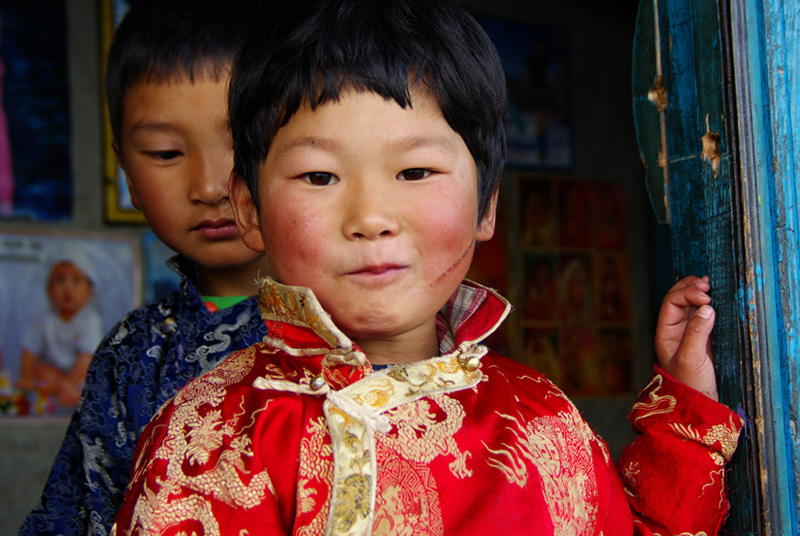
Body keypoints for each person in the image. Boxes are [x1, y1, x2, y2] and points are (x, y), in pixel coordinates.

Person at [111, 1, 742, 534]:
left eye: (415, 171)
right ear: (249, 208)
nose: (371, 216)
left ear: (484, 205)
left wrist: (685, 412)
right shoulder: (209, 438)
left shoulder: (542, 417)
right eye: (318, 176)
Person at [19, 1, 271, 534]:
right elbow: (76, 514)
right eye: (164, 153)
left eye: (243, 144)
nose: (209, 187)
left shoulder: (365, 326)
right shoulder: (131, 353)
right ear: (125, 171)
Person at [15, 246, 104, 410]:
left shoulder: (90, 319)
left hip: (80, 375)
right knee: (40, 370)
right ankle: (63, 393)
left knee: (90, 372)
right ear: (49, 290)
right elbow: (30, 350)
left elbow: (87, 356)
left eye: (76, 281)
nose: (68, 288)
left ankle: (72, 393)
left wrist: (70, 383)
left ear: (89, 291)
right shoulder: (44, 318)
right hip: (54, 376)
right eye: (60, 280)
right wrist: (26, 378)